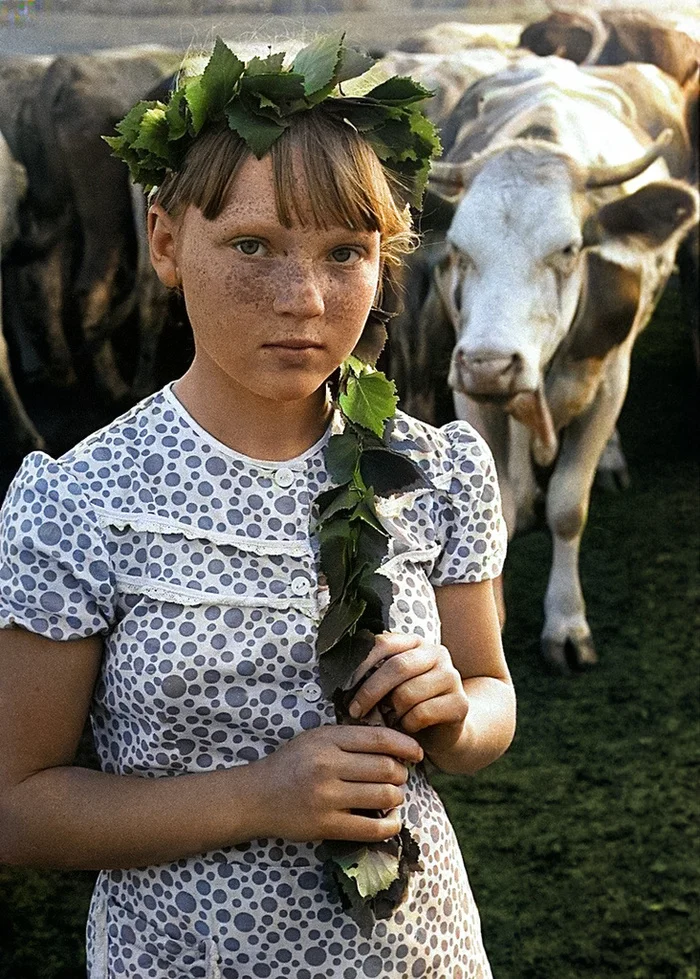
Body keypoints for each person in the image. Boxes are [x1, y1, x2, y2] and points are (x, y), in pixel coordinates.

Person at [0, 36, 516, 979]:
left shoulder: (433, 469)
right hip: (186, 956)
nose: (305, 299)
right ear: (165, 241)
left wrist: (455, 714)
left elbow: (491, 695)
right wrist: (261, 796)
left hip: (420, 953)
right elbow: (18, 807)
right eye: (252, 245)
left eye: (345, 252)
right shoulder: (80, 501)